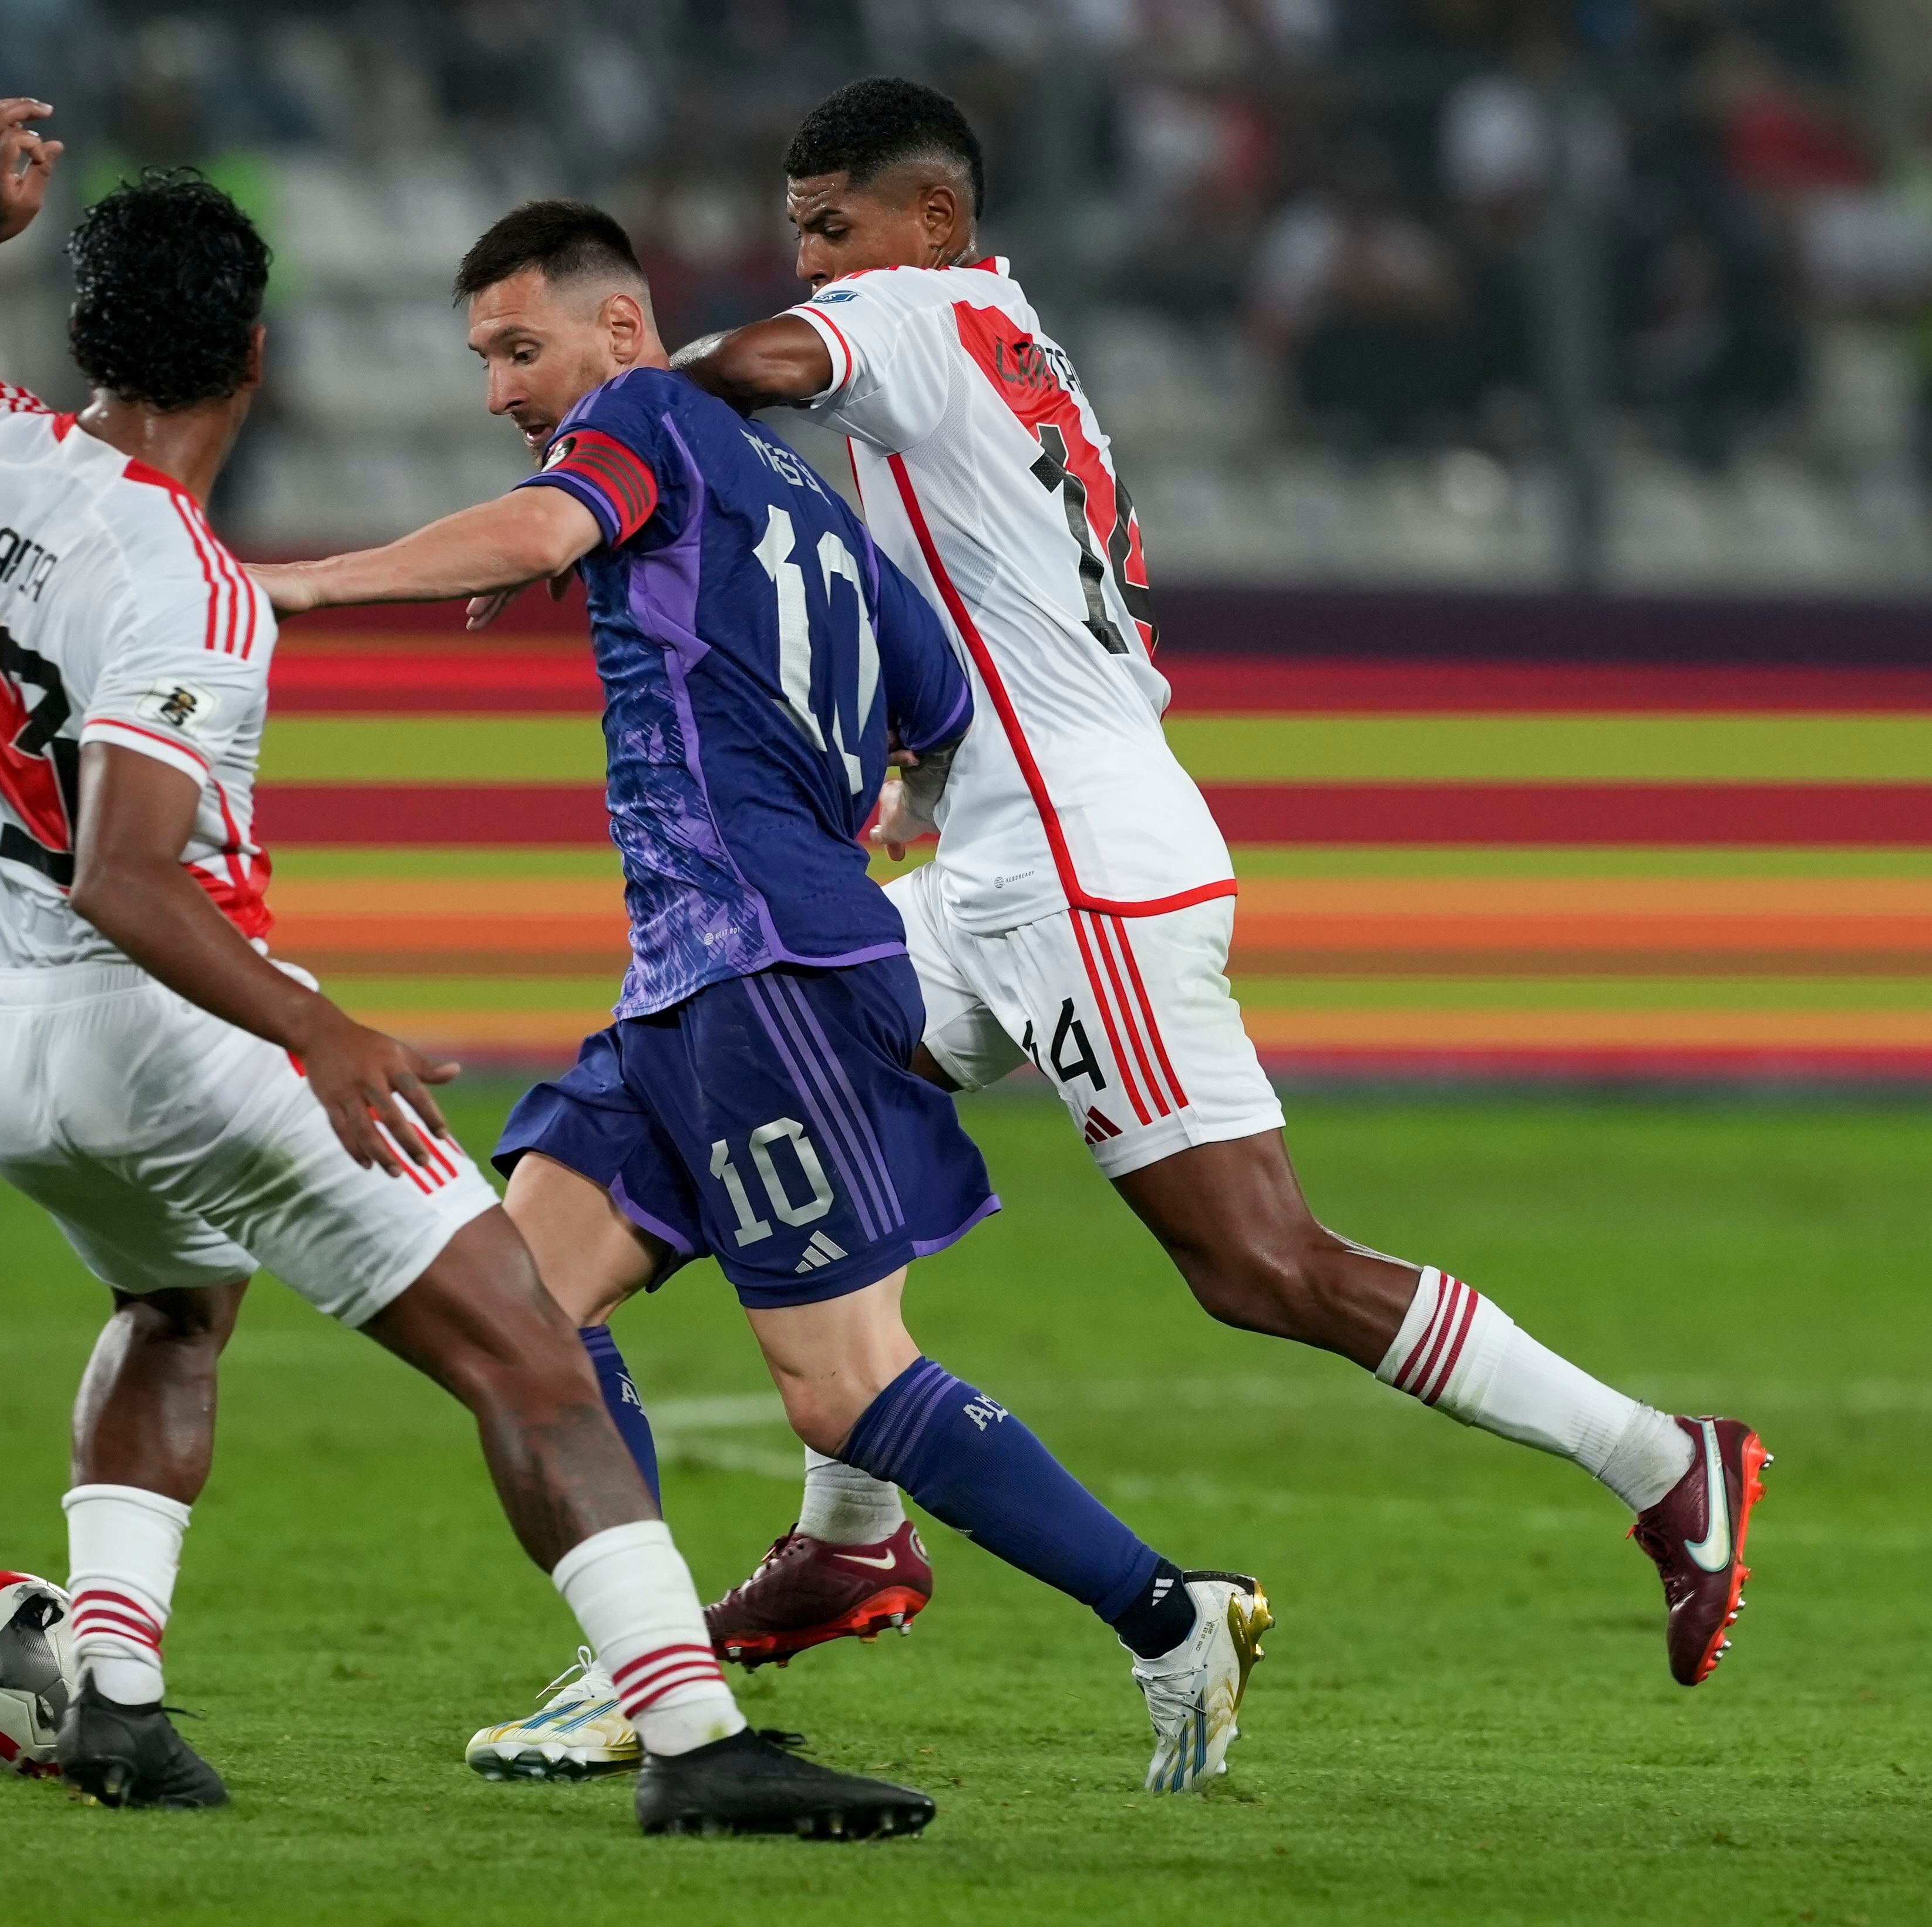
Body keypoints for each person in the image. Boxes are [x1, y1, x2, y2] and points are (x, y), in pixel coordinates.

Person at [0, 100, 934, 1838]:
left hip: (0, 1041)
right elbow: (128, 870)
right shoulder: (190, 583)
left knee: (172, 1302)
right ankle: (692, 1732)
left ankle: (118, 1699)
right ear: (259, 359)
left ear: (77, 336)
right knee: (524, 1339)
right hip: (180, 1026)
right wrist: (326, 1028)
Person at [671, 76, 1765, 1692]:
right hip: (1012, 846)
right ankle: (848, 1522)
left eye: (832, 227)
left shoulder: (907, 311)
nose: (815, 263)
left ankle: (1660, 1463)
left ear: (934, 220)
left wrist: (623, 408)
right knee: (783, 1045)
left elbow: (760, 369)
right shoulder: (1003, 347)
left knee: (1258, 1265)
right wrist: (926, 767)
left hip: (1077, 877)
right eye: (800, 235)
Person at [250, 201, 1269, 1799]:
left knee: (843, 1384)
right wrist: (885, 811)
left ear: (622, 332)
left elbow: (539, 532)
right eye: (483, 358)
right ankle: (639, 1663)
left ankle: (1168, 1616)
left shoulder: (647, 416)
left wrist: (296, 589)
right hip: (695, 974)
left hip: (774, 970)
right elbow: (937, 716)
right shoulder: (816, 510)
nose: (500, 389)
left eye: (521, 349)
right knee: (519, 1314)